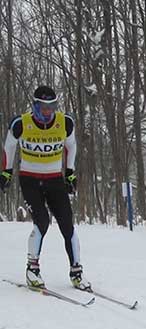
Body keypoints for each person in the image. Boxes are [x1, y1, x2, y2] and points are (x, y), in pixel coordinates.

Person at [0, 85, 91, 291]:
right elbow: (9, 147)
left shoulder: (64, 122)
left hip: (54, 179)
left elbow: (71, 146)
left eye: (52, 106)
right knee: (42, 221)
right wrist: (6, 172)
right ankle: (32, 269)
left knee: (67, 223)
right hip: (29, 179)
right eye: (43, 107)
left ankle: (76, 271)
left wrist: (70, 172)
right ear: (35, 106)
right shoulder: (20, 123)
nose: (48, 111)